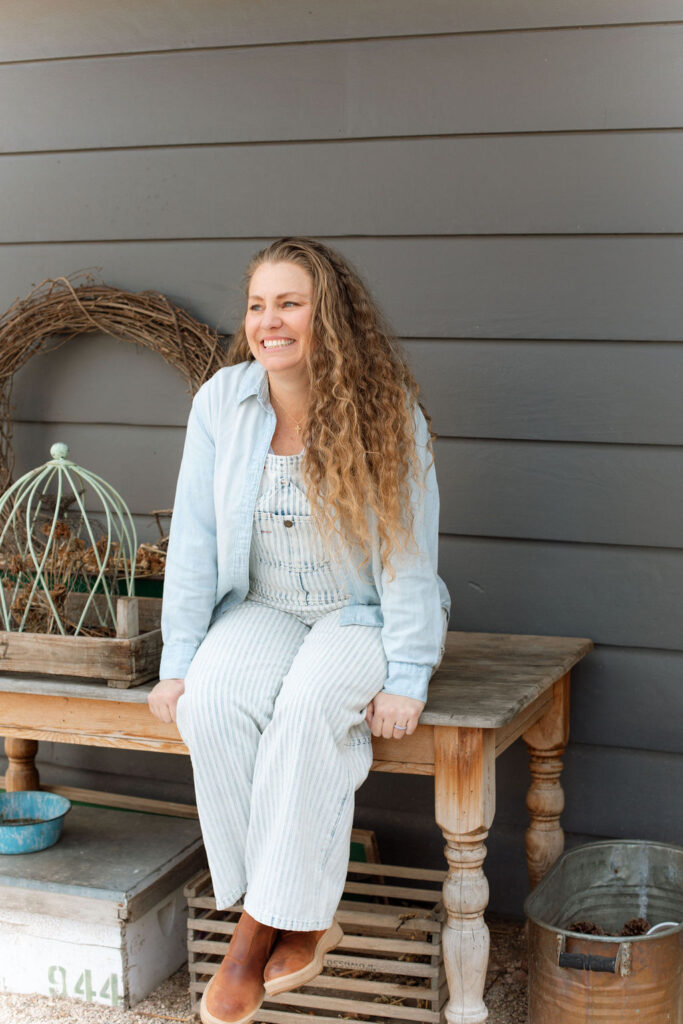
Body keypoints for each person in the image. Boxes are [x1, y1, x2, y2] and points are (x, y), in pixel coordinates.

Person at [148, 237, 450, 1024]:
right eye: (257, 304)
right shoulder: (221, 402)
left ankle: (257, 929)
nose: (268, 321)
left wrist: (408, 674)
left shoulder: (387, 411)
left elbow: (408, 553)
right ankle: (288, 907)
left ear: (329, 318)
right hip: (263, 604)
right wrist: (178, 661)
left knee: (309, 707)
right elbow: (196, 540)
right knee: (209, 705)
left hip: (363, 613)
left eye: (290, 303)